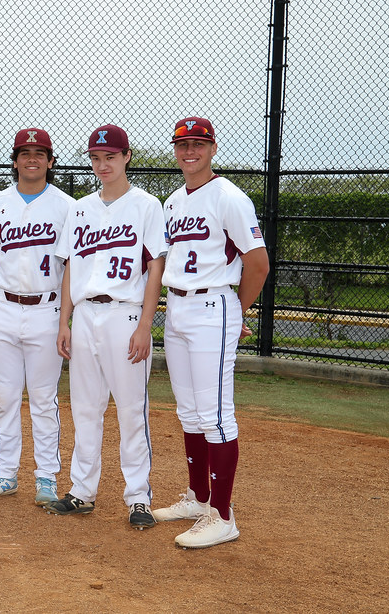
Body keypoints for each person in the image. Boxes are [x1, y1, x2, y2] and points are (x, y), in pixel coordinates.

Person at [152, 116, 269, 548]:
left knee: (216, 414)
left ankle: (223, 516)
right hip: (178, 306)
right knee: (189, 412)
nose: (189, 152)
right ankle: (199, 499)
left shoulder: (230, 198)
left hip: (213, 303)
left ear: (212, 148)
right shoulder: (173, 201)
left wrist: (235, 313)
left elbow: (258, 264)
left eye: (197, 144)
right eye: (182, 145)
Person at [47, 124, 166, 530]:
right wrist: (64, 321)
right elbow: (68, 269)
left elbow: (155, 268)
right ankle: (82, 491)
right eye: (95, 158)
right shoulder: (79, 208)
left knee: (132, 410)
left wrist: (145, 324)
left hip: (124, 314)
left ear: (127, 156)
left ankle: (138, 498)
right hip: (85, 316)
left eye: (110, 157)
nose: (102, 165)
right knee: (85, 408)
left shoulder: (147, 205)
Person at [0, 128, 72, 504]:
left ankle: (46, 475)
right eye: (25, 152)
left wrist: (64, 318)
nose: (32, 158)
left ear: (50, 161)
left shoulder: (66, 205)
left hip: (46, 310)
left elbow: (71, 266)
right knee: (5, 397)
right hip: (2, 308)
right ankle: (4, 473)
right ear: (15, 161)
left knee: (45, 399)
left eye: (40, 152)